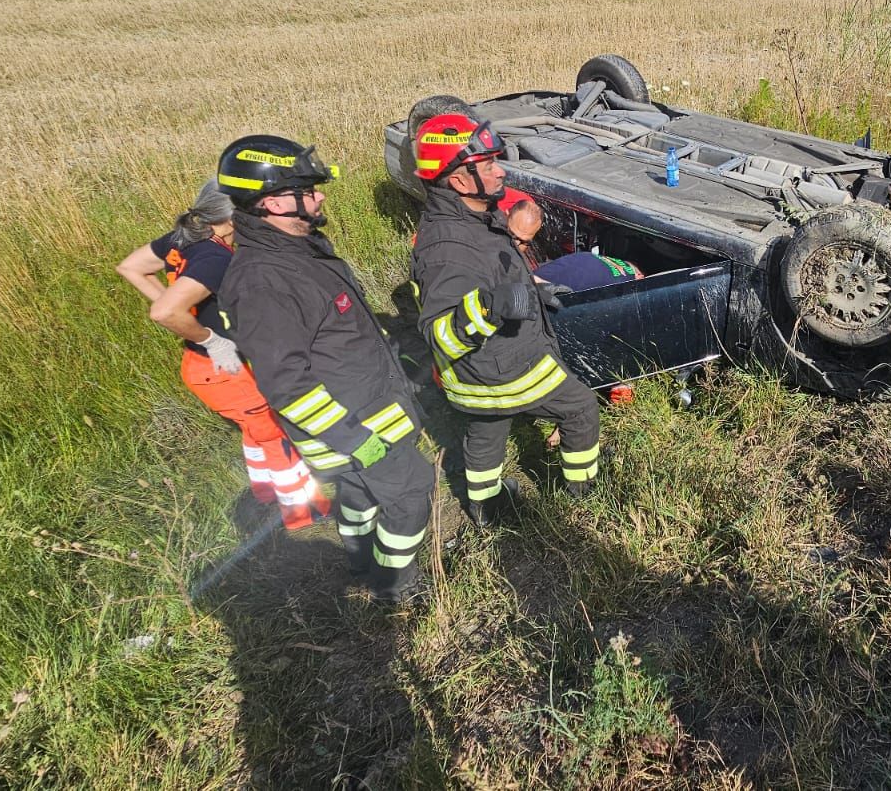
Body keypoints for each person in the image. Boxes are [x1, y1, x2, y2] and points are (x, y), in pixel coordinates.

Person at [214, 135, 433, 602]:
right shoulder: (263, 282)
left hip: (365, 408)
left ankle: (358, 558)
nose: (320, 196)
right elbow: (287, 385)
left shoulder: (298, 249)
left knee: (357, 493)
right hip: (350, 426)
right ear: (274, 202)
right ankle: (396, 585)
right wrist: (355, 440)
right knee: (412, 490)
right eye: (309, 191)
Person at [408, 112, 602, 527]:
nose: (500, 171)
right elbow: (439, 334)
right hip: (506, 369)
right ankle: (582, 493)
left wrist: (533, 292)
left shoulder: (469, 216)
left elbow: (492, 273)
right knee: (581, 407)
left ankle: (484, 507)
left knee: (485, 435)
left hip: (475, 381)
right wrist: (493, 306)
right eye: (488, 165)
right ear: (458, 180)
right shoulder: (448, 247)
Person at [116, 180, 329, 531]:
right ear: (230, 218)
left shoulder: (181, 238)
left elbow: (131, 267)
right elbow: (164, 313)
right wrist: (210, 337)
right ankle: (304, 511)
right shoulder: (213, 256)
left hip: (204, 368)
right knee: (275, 433)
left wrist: (184, 311)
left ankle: (264, 493)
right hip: (224, 368)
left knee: (253, 430)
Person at [504, 197, 644, 292]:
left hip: (570, 274)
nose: (516, 245)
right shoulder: (625, 279)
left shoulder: (618, 273)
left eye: (524, 242)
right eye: (514, 236)